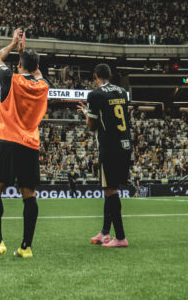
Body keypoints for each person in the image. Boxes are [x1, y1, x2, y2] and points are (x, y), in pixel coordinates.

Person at [0, 29, 49, 260]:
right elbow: (36, 74)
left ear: (19, 65)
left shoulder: (10, 78)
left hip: (7, 140)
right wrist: (23, 53)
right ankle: (26, 247)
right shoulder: (43, 85)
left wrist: (12, 44)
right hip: (30, 144)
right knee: (29, 194)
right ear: (36, 67)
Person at [78, 63, 132, 248]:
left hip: (110, 147)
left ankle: (120, 238)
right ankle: (105, 232)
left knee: (110, 190)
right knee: (109, 188)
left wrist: (86, 113)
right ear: (110, 75)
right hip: (125, 144)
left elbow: (91, 125)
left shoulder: (95, 95)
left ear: (95, 76)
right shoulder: (122, 92)